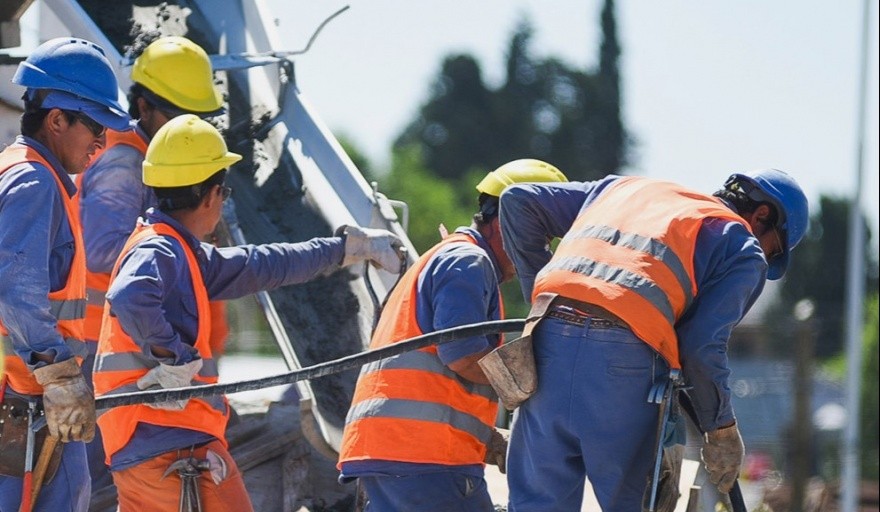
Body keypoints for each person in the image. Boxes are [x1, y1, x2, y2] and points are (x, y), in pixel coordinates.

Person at [92, 114, 404, 512]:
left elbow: (264, 264)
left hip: (146, 445)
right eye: (224, 195)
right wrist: (174, 355)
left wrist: (346, 249)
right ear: (211, 195)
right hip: (170, 445)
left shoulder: (178, 251)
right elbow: (130, 296)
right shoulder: (161, 250)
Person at [497, 169, 809, 511]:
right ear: (762, 217)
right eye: (773, 251)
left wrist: (543, 298)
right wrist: (720, 429)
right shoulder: (740, 244)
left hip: (546, 347)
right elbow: (701, 346)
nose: (765, 260)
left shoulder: (625, 189)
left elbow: (518, 201)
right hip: (622, 368)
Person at [337, 159, 569, 512]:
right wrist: (535, 383)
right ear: (510, 222)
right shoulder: (468, 262)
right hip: (423, 458)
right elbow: (463, 356)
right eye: (543, 237)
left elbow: (433, 378)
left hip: (397, 452)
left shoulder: (448, 259)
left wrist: (487, 440)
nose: (545, 252)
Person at [75, 35, 229, 491]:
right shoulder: (125, 163)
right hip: (108, 351)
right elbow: (104, 250)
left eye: (197, 118)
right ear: (142, 107)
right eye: (179, 115)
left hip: (148, 350)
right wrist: (177, 234)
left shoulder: (158, 164)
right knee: (105, 485)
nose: (189, 127)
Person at [0, 37, 132, 511]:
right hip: (26, 402)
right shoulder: (34, 180)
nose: (102, 142)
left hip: (34, 400)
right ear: (57, 119)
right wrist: (56, 374)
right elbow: (14, 287)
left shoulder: (24, 173)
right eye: (96, 126)